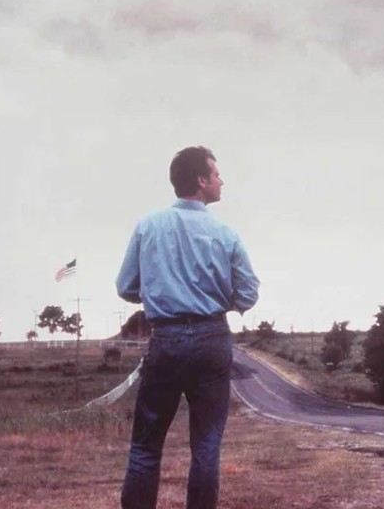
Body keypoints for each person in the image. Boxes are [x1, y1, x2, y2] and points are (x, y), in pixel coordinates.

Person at [116, 145, 260, 509]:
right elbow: (248, 294)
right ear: (201, 181)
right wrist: (212, 301)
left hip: (165, 338)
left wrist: (163, 294)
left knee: (146, 446)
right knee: (207, 447)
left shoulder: (147, 226)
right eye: (216, 174)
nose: (221, 180)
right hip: (212, 339)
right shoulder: (225, 234)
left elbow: (125, 287)